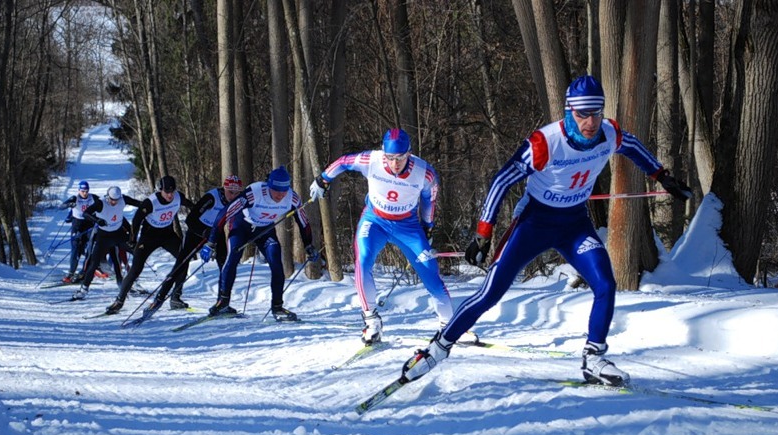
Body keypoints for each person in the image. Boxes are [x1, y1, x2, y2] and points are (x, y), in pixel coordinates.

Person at [400, 75, 693, 387]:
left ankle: (594, 357)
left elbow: (632, 146)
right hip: (533, 223)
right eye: (582, 114)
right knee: (491, 293)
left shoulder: (609, 132)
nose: (590, 122)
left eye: (596, 113)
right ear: (569, 112)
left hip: (575, 224)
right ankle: (437, 349)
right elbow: (502, 180)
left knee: (606, 283)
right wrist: (483, 232)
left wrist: (662, 176)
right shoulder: (545, 142)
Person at [310, 128, 462, 346]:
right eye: (390, 158)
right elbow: (343, 161)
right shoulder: (371, 160)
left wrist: (428, 226)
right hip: (375, 221)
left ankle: (449, 327)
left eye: (400, 158)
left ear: (409, 153)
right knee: (362, 262)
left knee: (431, 275)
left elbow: (430, 200)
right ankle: (371, 321)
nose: (394, 163)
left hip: (407, 226)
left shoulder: (424, 173)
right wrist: (323, 179)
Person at [202, 166, 317, 320]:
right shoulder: (254, 193)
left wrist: (308, 245)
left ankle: (277, 307)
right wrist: (211, 242)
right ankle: (223, 302)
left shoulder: (292, 198)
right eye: (276, 190)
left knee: (276, 263)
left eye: (284, 191)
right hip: (241, 226)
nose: (280, 195)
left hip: (265, 230)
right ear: (269, 186)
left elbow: (303, 222)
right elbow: (225, 213)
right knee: (232, 259)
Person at [145, 174, 243, 313]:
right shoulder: (211, 197)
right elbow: (190, 220)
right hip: (196, 231)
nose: (233, 196)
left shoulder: (238, 200)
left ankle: (222, 302)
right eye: (230, 192)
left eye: (236, 193)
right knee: (180, 264)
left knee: (224, 265)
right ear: (224, 188)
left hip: (217, 232)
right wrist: (204, 232)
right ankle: (160, 299)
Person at [104, 175, 194, 314]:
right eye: (166, 191)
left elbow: (193, 206)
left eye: (172, 191)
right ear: (160, 190)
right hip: (149, 236)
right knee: (136, 269)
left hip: (167, 235)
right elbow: (136, 220)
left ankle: (175, 298)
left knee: (184, 260)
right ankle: (119, 301)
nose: (170, 195)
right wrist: (132, 239)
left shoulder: (178, 197)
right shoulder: (151, 202)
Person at [72, 186, 141, 300]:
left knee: (138, 253)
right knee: (93, 263)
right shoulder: (101, 203)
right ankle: (83, 290)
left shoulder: (123, 199)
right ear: (108, 196)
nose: (114, 202)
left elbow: (140, 204)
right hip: (103, 236)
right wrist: (97, 220)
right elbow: (85, 213)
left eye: (116, 200)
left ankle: (131, 283)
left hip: (119, 234)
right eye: (112, 199)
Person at [59, 180, 99, 283]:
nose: (85, 193)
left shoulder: (93, 197)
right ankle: (71, 273)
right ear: (79, 190)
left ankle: (84, 271)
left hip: (89, 225)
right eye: (82, 191)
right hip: (77, 225)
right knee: (75, 249)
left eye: (86, 191)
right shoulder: (74, 198)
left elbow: (103, 204)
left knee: (89, 249)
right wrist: (69, 205)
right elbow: (61, 207)